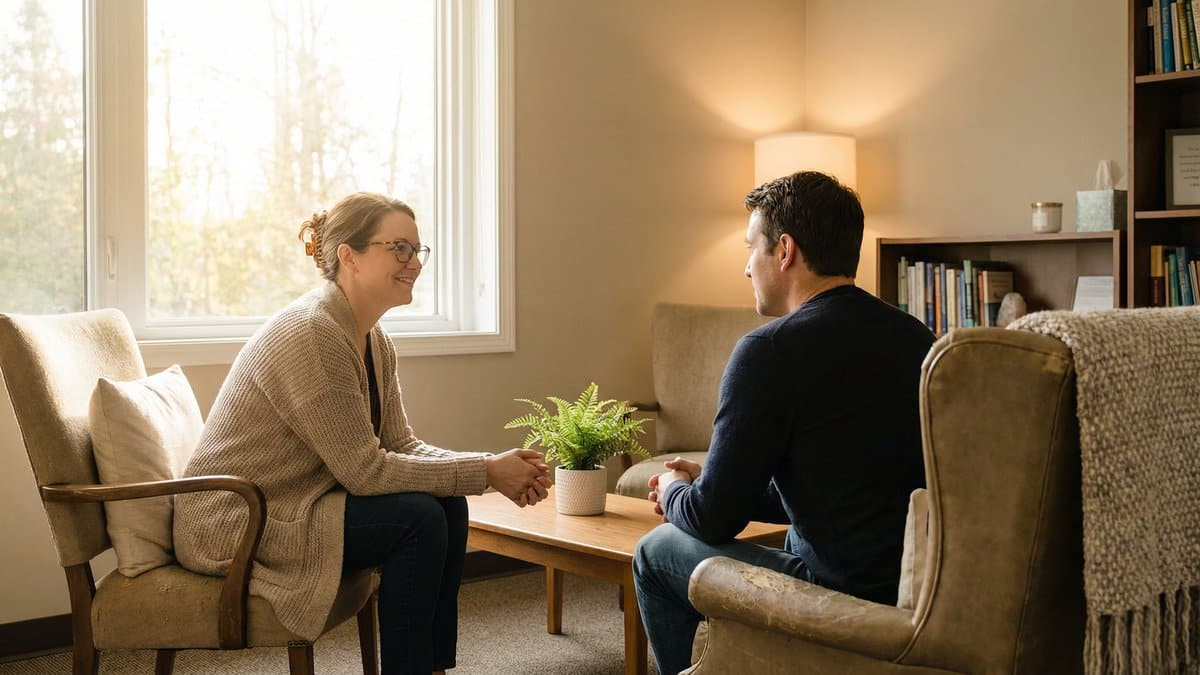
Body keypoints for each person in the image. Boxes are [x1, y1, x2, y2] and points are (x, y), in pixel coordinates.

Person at [174, 192, 551, 675]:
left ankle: (430, 667)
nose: (414, 262)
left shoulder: (373, 338)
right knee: (419, 518)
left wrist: (489, 465)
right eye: (399, 248)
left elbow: (401, 445)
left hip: (295, 502)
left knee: (448, 505)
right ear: (347, 256)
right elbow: (365, 472)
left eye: (417, 250)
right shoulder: (313, 333)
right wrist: (486, 471)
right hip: (235, 519)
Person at [632, 171, 935, 675]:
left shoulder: (769, 350)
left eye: (752, 248)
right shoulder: (916, 338)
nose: (747, 268)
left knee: (655, 551)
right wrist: (708, 482)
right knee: (795, 532)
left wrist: (671, 489)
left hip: (841, 599)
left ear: (785, 250)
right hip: (913, 591)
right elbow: (836, 491)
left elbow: (712, 520)